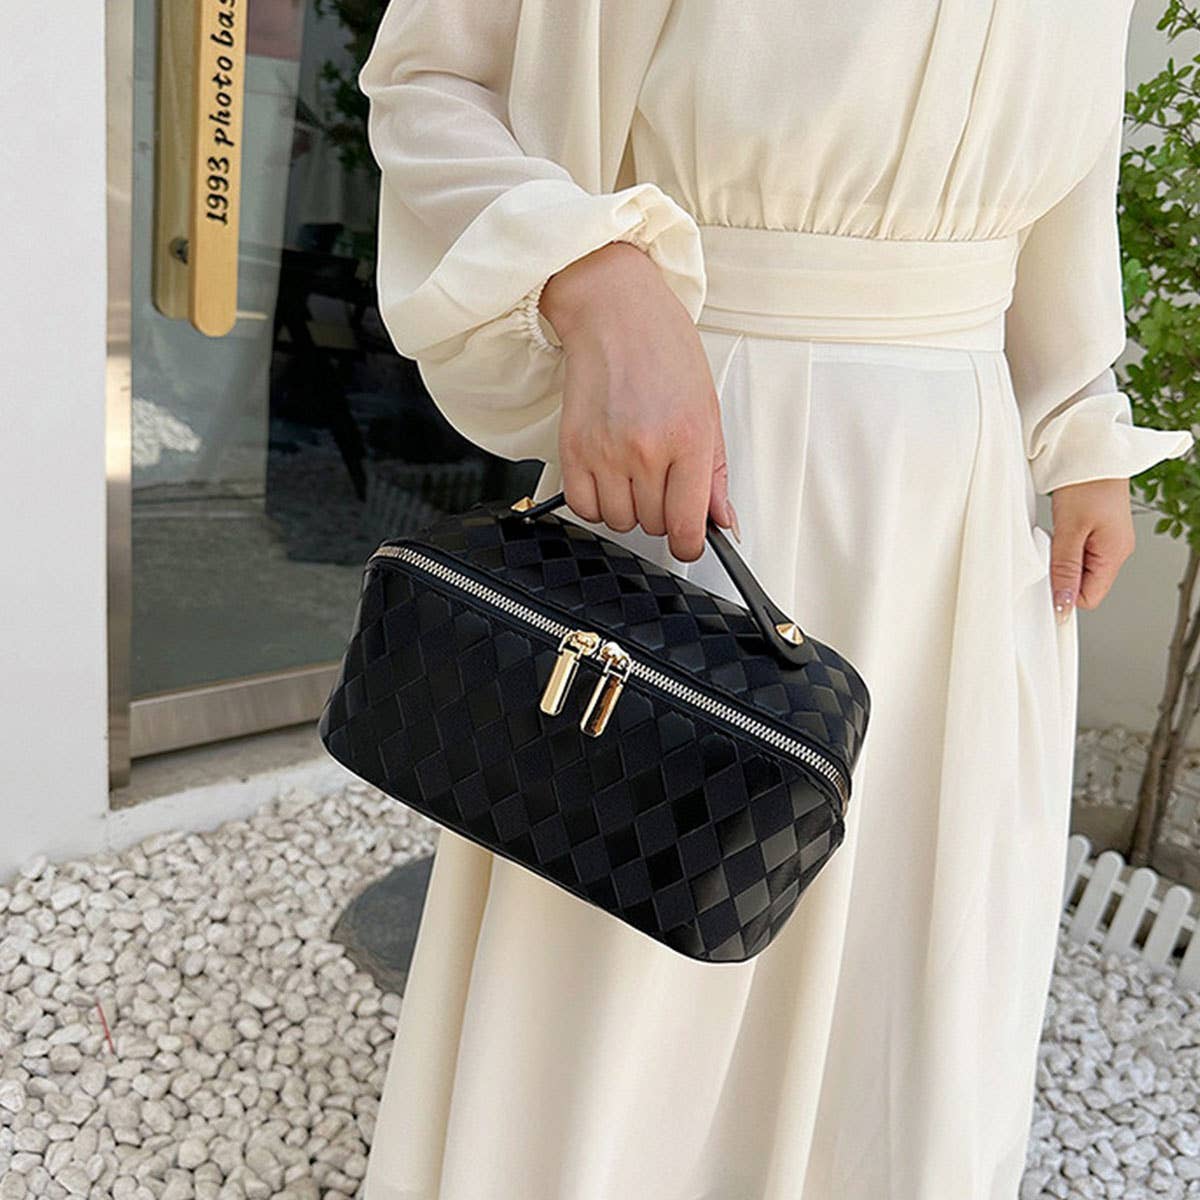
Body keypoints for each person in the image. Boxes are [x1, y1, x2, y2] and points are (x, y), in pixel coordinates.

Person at [354, 3, 1195, 1198]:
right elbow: (437, 79)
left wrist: (1078, 422)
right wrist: (592, 277)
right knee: (638, 958)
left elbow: (1068, 176)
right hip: (709, 453)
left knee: (909, 984)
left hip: (964, 516)